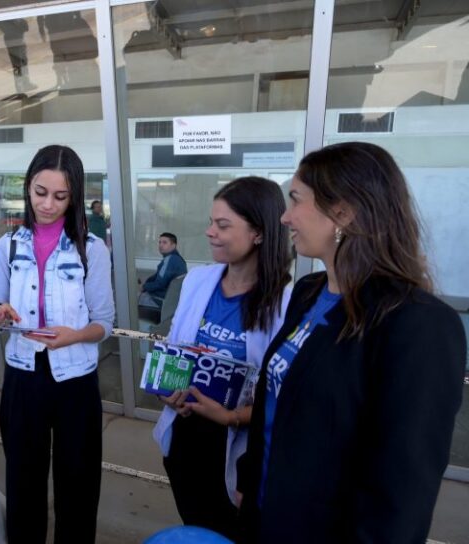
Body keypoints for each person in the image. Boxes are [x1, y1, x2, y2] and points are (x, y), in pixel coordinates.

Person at [237, 142, 466, 543]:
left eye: (295, 200)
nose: (285, 217)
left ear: (342, 211)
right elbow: (277, 404)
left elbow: (403, 487)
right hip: (268, 514)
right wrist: (250, 479)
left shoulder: (418, 324)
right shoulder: (308, 291)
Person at [0, 144, 114, 544]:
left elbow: (104, 323)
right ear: (28, 187)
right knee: (23, 482)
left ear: (74, 196)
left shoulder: (91, 249)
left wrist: (74, 336)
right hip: (24, 376)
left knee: (78, 483)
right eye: (40, 192)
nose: (48, 204)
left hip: (76, 379)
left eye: (61, 196)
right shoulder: (8, 246)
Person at [152, 177, 292, 540]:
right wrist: (167, 391)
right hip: (184, 435)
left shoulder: (286, 303)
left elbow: (283, 396)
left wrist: (230, 416)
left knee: (231, 532)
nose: (209, 232)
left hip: (236, 449)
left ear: (259, 233)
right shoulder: (197, 281)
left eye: (223, 225)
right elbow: (173, 349)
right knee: (195, 528)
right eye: (211, 221)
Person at [139, 232, 187, 309]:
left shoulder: (170, 260)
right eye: (160, 242)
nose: (160, 245)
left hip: (163, 300)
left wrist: (144, 287)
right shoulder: (179, 259)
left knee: (134, 300)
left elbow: (160, 284)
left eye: (165, 242)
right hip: (174, 300)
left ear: (173, 245)